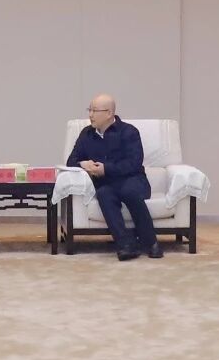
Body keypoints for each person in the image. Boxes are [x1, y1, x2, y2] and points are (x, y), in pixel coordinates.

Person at [66, 93, 159, 261]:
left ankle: (151, 242)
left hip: (134, 180)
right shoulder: (86, 134)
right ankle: (125, 245)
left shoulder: (129, 132)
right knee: (104, 193)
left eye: (95, 111)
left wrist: (106, 169)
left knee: (129, 191)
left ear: (109, 113)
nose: (90, 115)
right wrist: (83, 164)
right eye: (89, 110)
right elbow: (71, 161)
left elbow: (134, 163)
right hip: (106, 184)